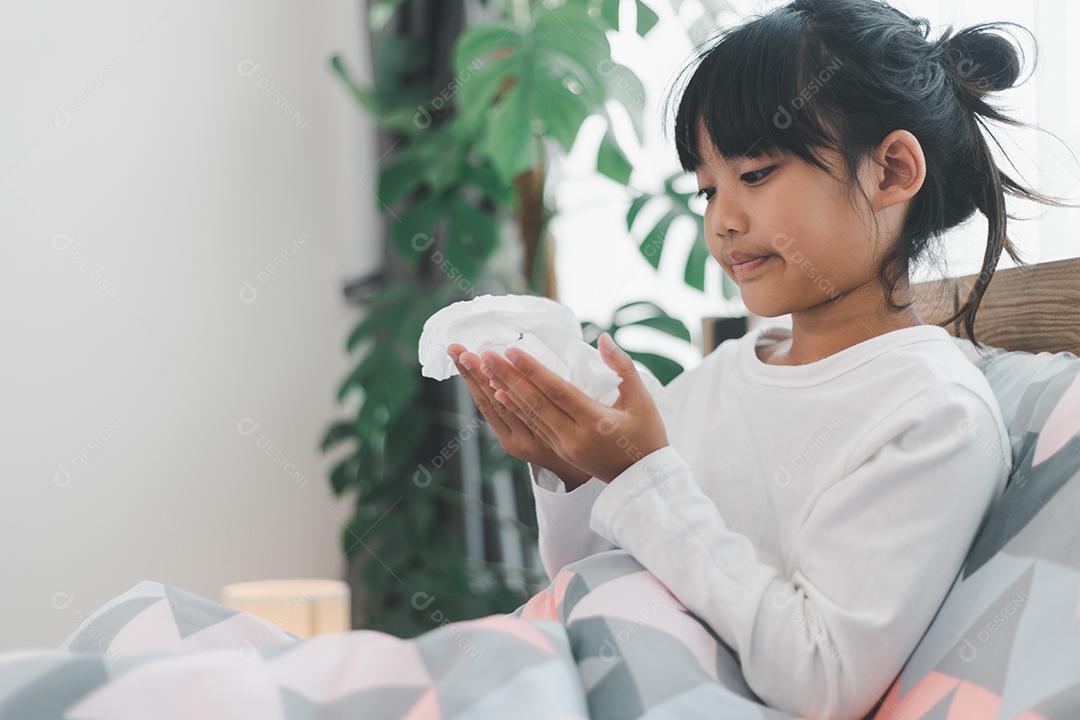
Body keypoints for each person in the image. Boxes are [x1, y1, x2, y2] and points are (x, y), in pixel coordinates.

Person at [448, 1, 1074, 717]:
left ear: (893, 170)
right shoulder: (729, 373)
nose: (723, 219)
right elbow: (599, 580)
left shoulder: (931, 412)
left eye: (756, 174)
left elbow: (821, 678)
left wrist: (641, 474)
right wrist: (572, 469)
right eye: (708, 188)